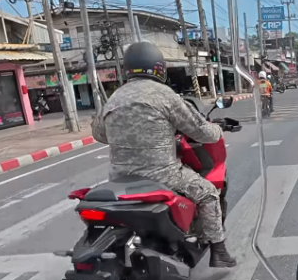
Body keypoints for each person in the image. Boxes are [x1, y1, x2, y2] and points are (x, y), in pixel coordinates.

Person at [91, 41, 236, 268]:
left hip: (120, 179)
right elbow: (201, 131)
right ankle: (219, 250)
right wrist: (218, 129)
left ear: (127, 69)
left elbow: (100, 133)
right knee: (208, 193)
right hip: (162, 175)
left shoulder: (115, 97)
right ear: (159, 68)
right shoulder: (165, 95)